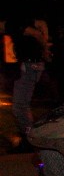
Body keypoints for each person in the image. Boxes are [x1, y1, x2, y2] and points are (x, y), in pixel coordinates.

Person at [8, 9, 52, 151]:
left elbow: (37, 32)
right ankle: (28, 138)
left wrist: (45, 50)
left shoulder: (15, 23)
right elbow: (41, 25)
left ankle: (30, 140)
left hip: (29, 65)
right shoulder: (24, 20)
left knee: (20, 106)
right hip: (30, 64)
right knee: (21, 105)